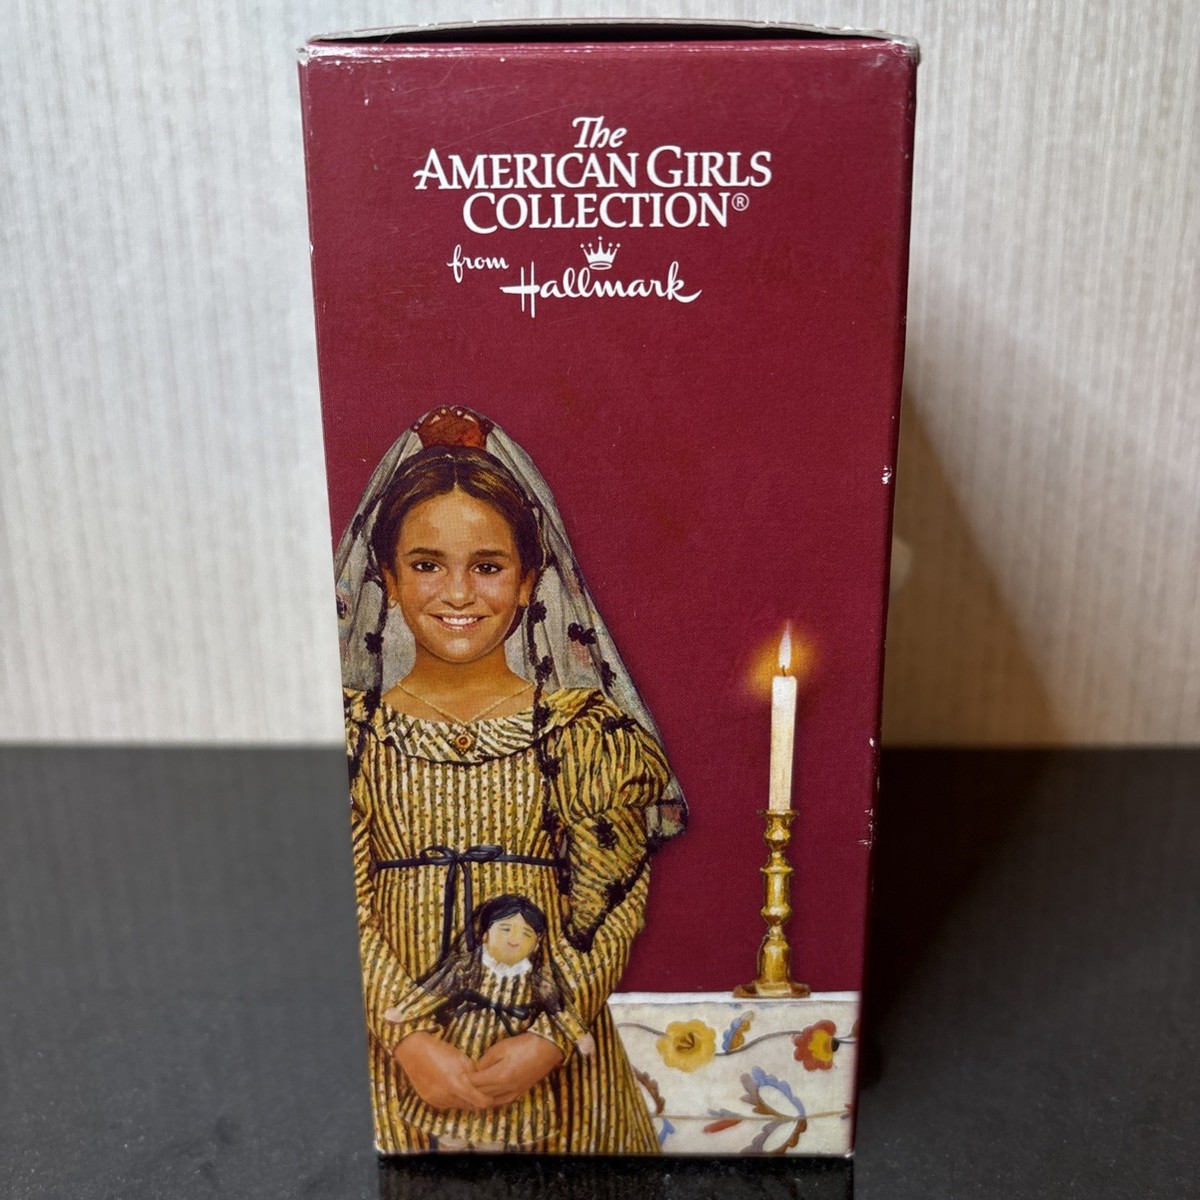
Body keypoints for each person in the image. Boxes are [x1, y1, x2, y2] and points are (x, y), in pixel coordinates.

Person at [337, 405, 686, 1154]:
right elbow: (339, 900)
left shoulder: (582, 732)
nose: (458, 593)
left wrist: (553, 1033)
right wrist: (407, 1037)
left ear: (529, 581)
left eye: (487, 567)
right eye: (427, 565)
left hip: (556, 1065)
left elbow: (612, 900)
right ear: (387, 580)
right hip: (396, 1058)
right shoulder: (352, 737)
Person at [382, 894, 595, 1150]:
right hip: (463, 1045)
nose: (514, 940)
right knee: (451, 1131)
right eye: (505, 929)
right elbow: (434, 991)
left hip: (509, 1053)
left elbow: (559, 1010)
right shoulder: (467, 967)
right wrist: (404, 1010)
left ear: (537, 943)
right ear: (485, 934)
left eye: (526, 934)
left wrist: (579, 1035)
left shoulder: (539, 980)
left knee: (496, 1131)